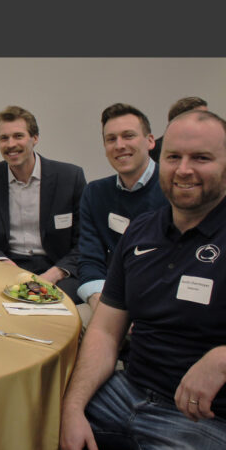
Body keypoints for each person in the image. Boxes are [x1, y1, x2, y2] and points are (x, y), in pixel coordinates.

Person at [58, 110, 226, 450]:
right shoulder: (140, 232)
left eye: (201, 158)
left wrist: (225, 359)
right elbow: (104, 331)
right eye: (173, 157)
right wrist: (72, 408)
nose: (183, 170)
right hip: (125, 393)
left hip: (206, 423)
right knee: (34, 426)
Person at [0, 105, 86, 296]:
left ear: (35, 138)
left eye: (18, 136)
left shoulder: (70, 178)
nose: (11, 144)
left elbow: (84, 240)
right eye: (4, 138)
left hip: (57, 268)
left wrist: (55, 273)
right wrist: (3, 263)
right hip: (7, 265)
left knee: (52, 306)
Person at [74, 104, 164, 310]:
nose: (119, 145)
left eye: (128, 136)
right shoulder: (95, 193)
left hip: (162, 306)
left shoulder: (175, 190)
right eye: (111, 139)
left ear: (150, 141)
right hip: (111, 299)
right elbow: (90, 260)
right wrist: (102, 306)